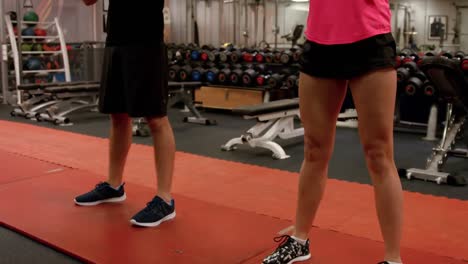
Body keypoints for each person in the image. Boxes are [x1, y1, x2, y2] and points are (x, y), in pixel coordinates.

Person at [262, 0, 404, 264]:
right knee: (314, 148)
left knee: (378, 153)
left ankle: (393, 258)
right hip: (320, 42)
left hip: (369, 39)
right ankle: (300, 240)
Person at [75, 0, 176, 228]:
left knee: (156, 118)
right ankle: (113, 186)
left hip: (146, 41)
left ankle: (165, 199)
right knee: (117, 115)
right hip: (115, 41)